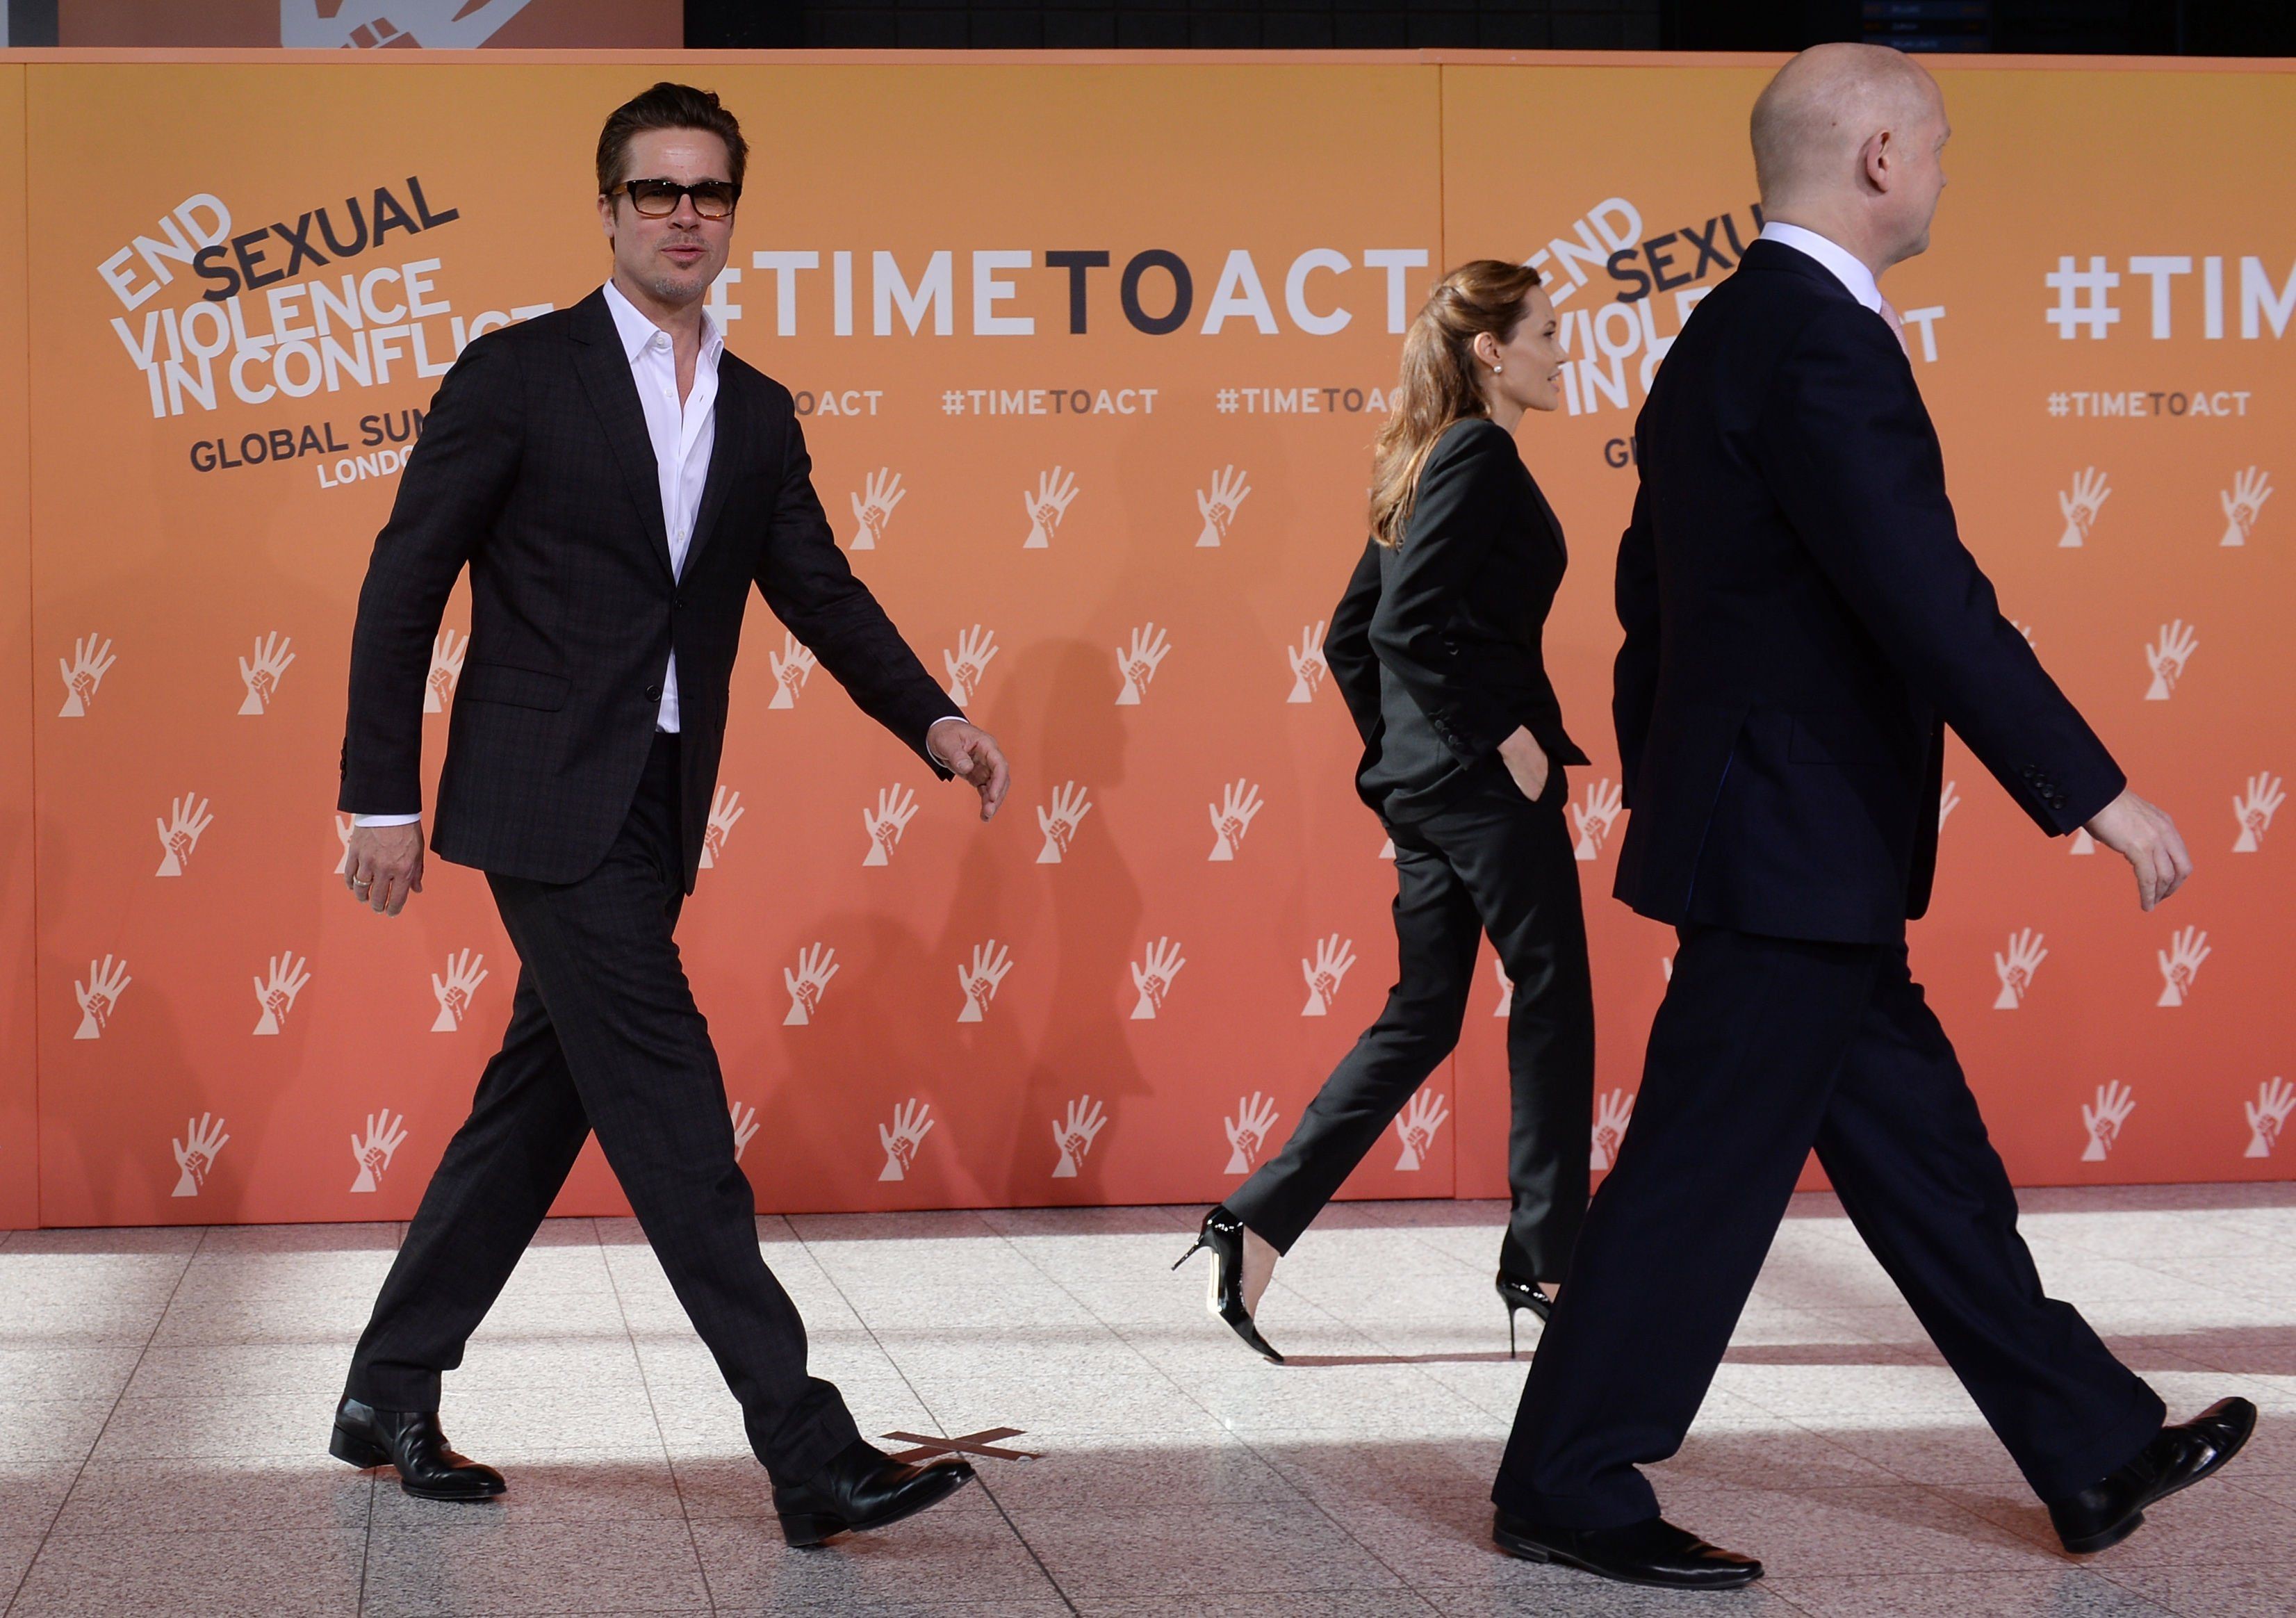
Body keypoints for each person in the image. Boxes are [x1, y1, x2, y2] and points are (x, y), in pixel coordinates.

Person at [1487, 44, 2254, 1591]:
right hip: (1788, 841)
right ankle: (1564, 1478)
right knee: (1702, 1173)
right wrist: (2089, 789)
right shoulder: (1815, 340)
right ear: (1882, 155)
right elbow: (1925, 595)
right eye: (1944, 145)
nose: (1952, 171)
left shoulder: (1722, 332)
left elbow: (1651, 601)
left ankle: (2088, 1442)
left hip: (1781, 837)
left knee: (1920, 1159)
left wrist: (1683, 782)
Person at [331, 82, 1009, 1547]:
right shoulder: (516, 373)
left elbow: (816, 588)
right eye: (657, 192)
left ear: (730, 213)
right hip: (535, 800)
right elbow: (403, 584)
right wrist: (376, 791)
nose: (684, 215)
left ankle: (386, 1387)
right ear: (609, 207)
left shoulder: (757, 411)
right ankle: (804, 1442)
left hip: (652, 803)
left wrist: (932, 716)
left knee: (537, 1104)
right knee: (674, 1114)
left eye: (707, 193)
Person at [1178, 262, 1594, 1364]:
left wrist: (1400, 759)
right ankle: (1547, 1263)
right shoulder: (1479, 455)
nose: (1568, 351)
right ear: (1492, 351)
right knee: (1554, 996)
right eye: (1549, 333)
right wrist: (1493, 735)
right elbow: (1403, 627)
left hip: (1430, 791)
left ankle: (1256, 1225)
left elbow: (1350, 638)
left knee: (1424, 1016)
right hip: (1479, 788)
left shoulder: (1423, 460)